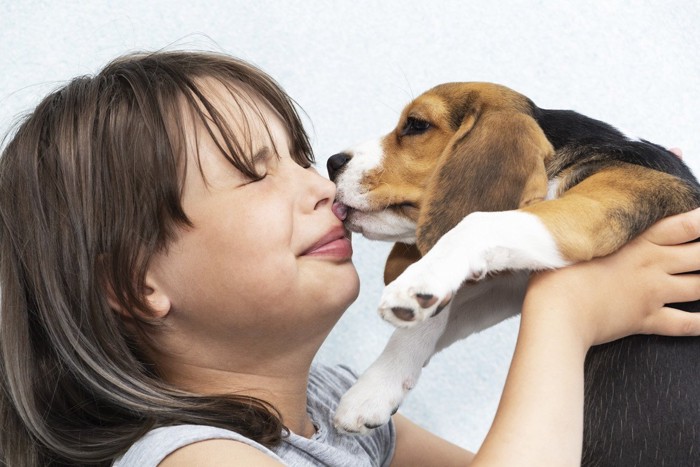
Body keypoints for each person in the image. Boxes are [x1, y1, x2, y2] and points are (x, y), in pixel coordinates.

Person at [0, 51, 699, 467]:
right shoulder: (195, 457)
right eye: (253, 171)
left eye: (302, 158)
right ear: (133, 282)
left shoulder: (334, 411)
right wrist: (562, 314)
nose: (317, 185)